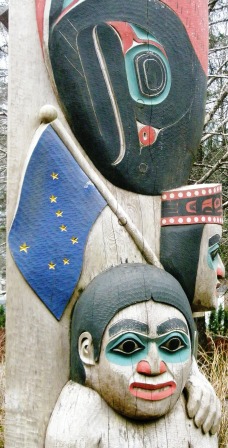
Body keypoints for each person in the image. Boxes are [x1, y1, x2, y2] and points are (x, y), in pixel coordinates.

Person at [45, 264, 219, 448]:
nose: (153, 367)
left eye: (173, 345)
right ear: (88, 351)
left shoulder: (193, 411)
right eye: (129, 347)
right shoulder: (82, 410)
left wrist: (195, 379)